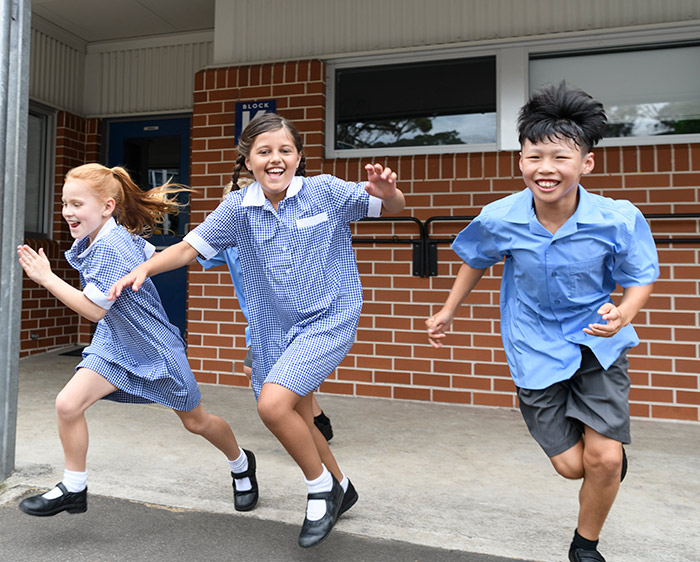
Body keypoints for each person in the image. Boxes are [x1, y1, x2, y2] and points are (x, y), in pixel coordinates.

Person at [110, 113, 405, 547]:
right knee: (297, 416)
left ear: (298, 157)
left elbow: (390, 207)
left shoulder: (325, 191)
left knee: (272, 406)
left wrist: (388, 192)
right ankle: (342, 486)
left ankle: (320, 489)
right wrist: (144, 269)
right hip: (273, 331)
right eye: (264, 151)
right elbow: (190, 247)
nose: (275, 158)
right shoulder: (238, 208)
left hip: (328, 318)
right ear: (248, 161)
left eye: (285, 150)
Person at [426, 82, 659, 562]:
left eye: (560, 157)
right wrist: (449, 309)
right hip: (532, 346)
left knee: (604, 458)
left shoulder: (617, 219)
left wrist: (625, 313)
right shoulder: (501, 217)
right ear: (520, 161)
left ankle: (585, 546)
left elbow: (640, 277)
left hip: (596, 342)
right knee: (572, 467)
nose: (545, 168)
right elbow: (476, 259)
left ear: (586, 164)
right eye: (534, 157)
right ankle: (602, 461)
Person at [16, 163, 259, 518]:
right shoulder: (107, 237)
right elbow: (150, 255)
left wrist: (47, 278)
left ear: (107, 207)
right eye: (65, 203)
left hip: (153, 347)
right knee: (68, 405)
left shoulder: (110, 246)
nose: (68, 211)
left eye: (77, 204)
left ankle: (241, 463)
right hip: (115, 343)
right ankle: (74, 487)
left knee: (196, 421)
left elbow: (93, 311)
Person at [198, 180, 335, 442]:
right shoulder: (230, 244)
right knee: (273, 373)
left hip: (287, 318)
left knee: (262, 371)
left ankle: (310, 423)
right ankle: (315, 420)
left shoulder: (273, 236)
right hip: (259, 324)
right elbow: (193, 251)